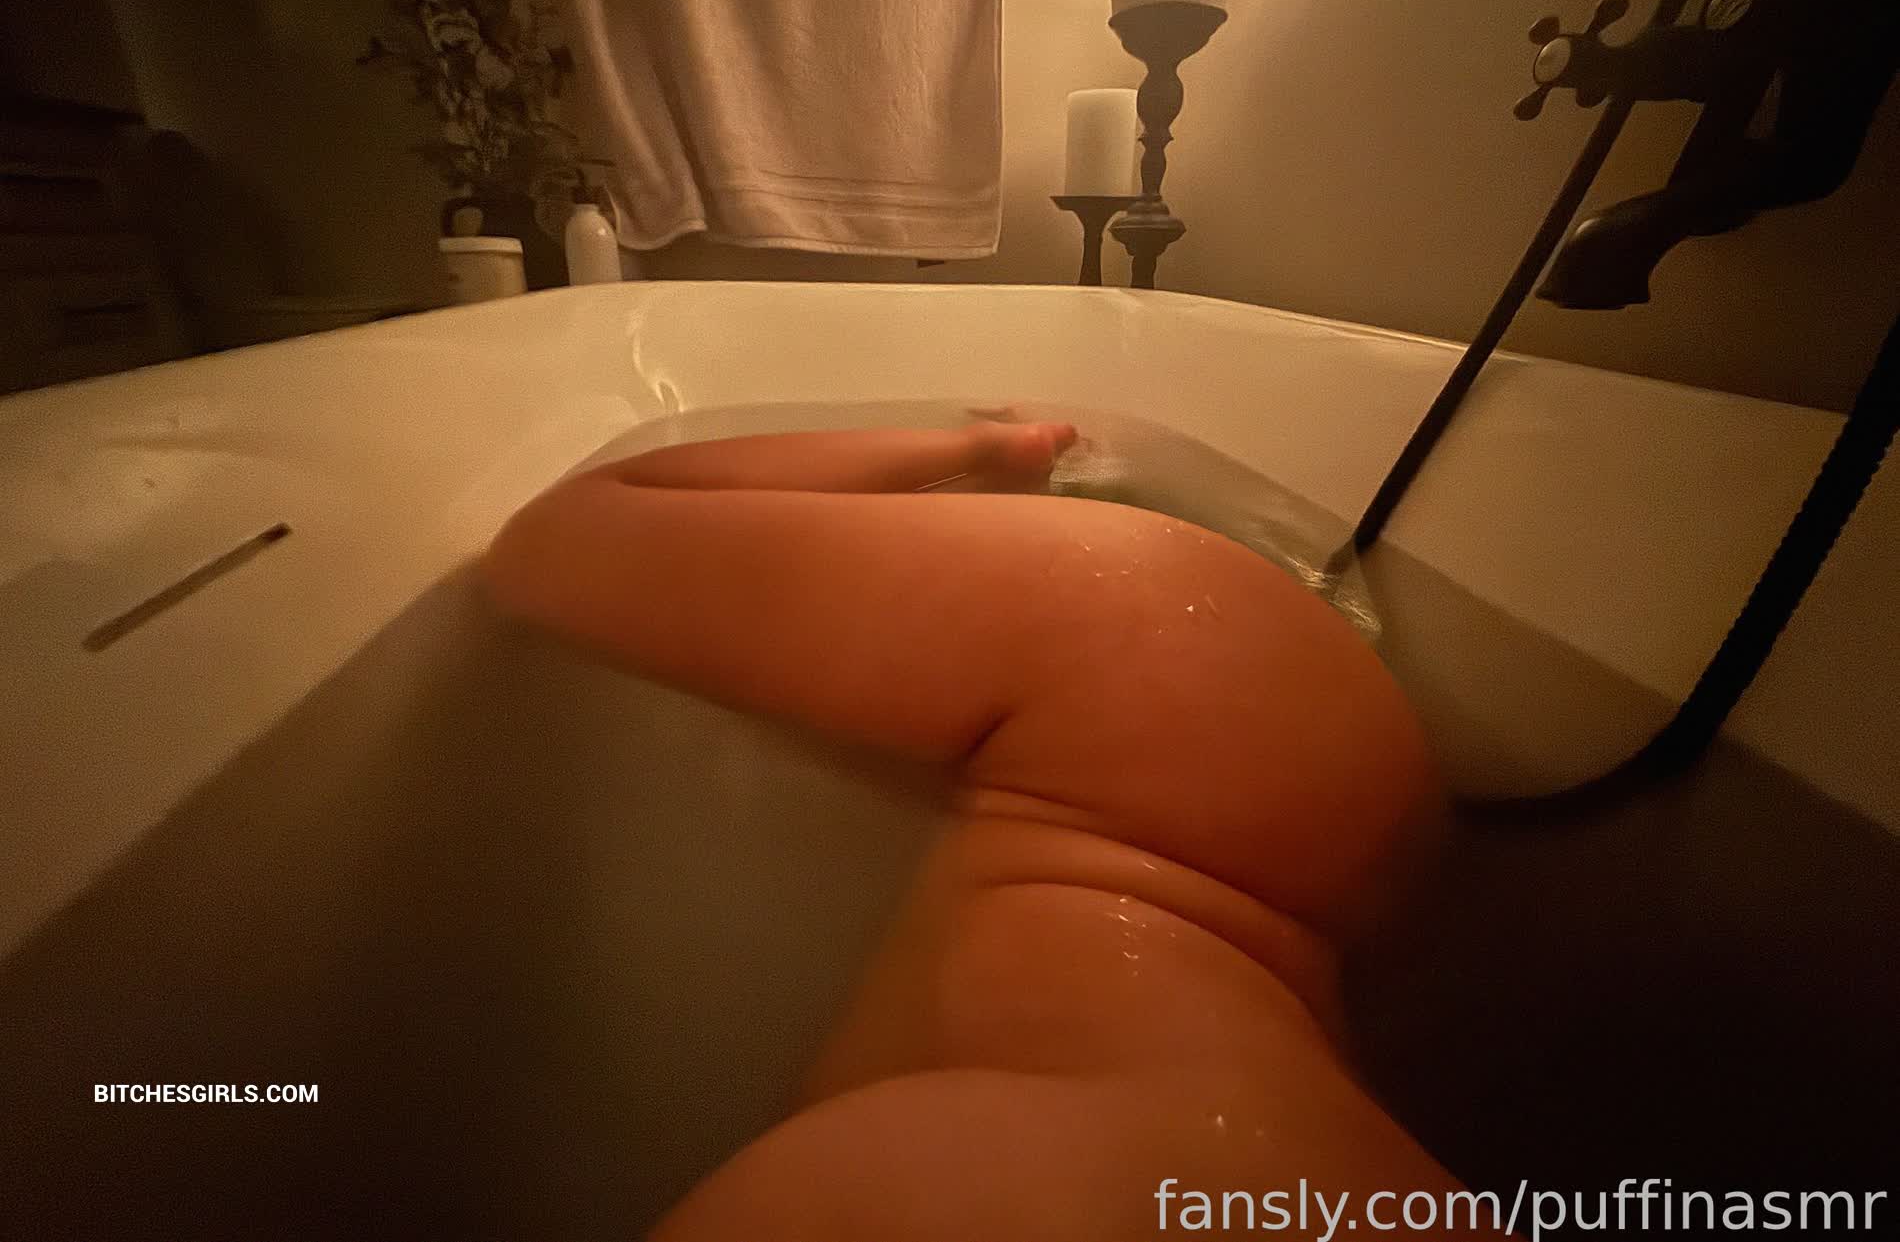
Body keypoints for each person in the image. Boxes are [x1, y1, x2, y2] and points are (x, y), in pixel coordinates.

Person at [480, 417, 1498, 1239]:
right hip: (1285, 768)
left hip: (1216, 703)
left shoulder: (946, 1190)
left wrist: (964, 449)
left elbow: (562, 534)